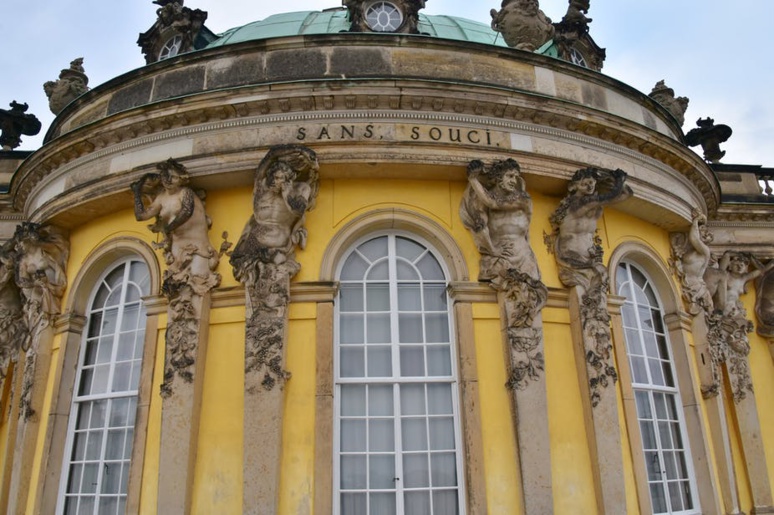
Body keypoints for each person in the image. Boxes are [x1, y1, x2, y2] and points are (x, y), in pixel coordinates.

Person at [230, 145, 319, 281]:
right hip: (253, 242)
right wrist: (298, 151)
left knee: (275, 267)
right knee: (238, 261)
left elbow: (298, 210)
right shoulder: (261, 187)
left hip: (279, 242)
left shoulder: (300, 189)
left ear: (290, 179)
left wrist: (287, 193)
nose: (276, 182)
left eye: (281, 179)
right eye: (275, 177)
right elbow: (270, 155)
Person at [131, 159, 218, 286]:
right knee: (177, 287)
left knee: (199, 283)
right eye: (165, 176)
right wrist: (137, 193)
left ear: (181, 179)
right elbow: (141, 216)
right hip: (177, 248)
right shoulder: (161, 198)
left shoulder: (185, 192)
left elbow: (186, 211)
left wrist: (169, 228)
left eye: (174, 177)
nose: (168, 180)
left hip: (197, 246)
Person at [460, 158, 540, 281]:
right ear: (498, 177)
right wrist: (492, 250)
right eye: (509, 176)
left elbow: (493, 203)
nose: (513, 181)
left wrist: (473, 180)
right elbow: (481, 226)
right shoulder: (482, 202)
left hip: (523, 255)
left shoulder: (523, 199)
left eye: (515, 177)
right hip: (499, 257)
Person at [550, 167, 631, 288]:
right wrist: (619, 180)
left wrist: (615, 181)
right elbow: (611, 196)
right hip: (572, 258)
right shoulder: (577, 204)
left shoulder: (596, 207)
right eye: (584, 184)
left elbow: (627, 194)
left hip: (590, 260)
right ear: (574, 186)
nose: (589, 187)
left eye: (592, 182)